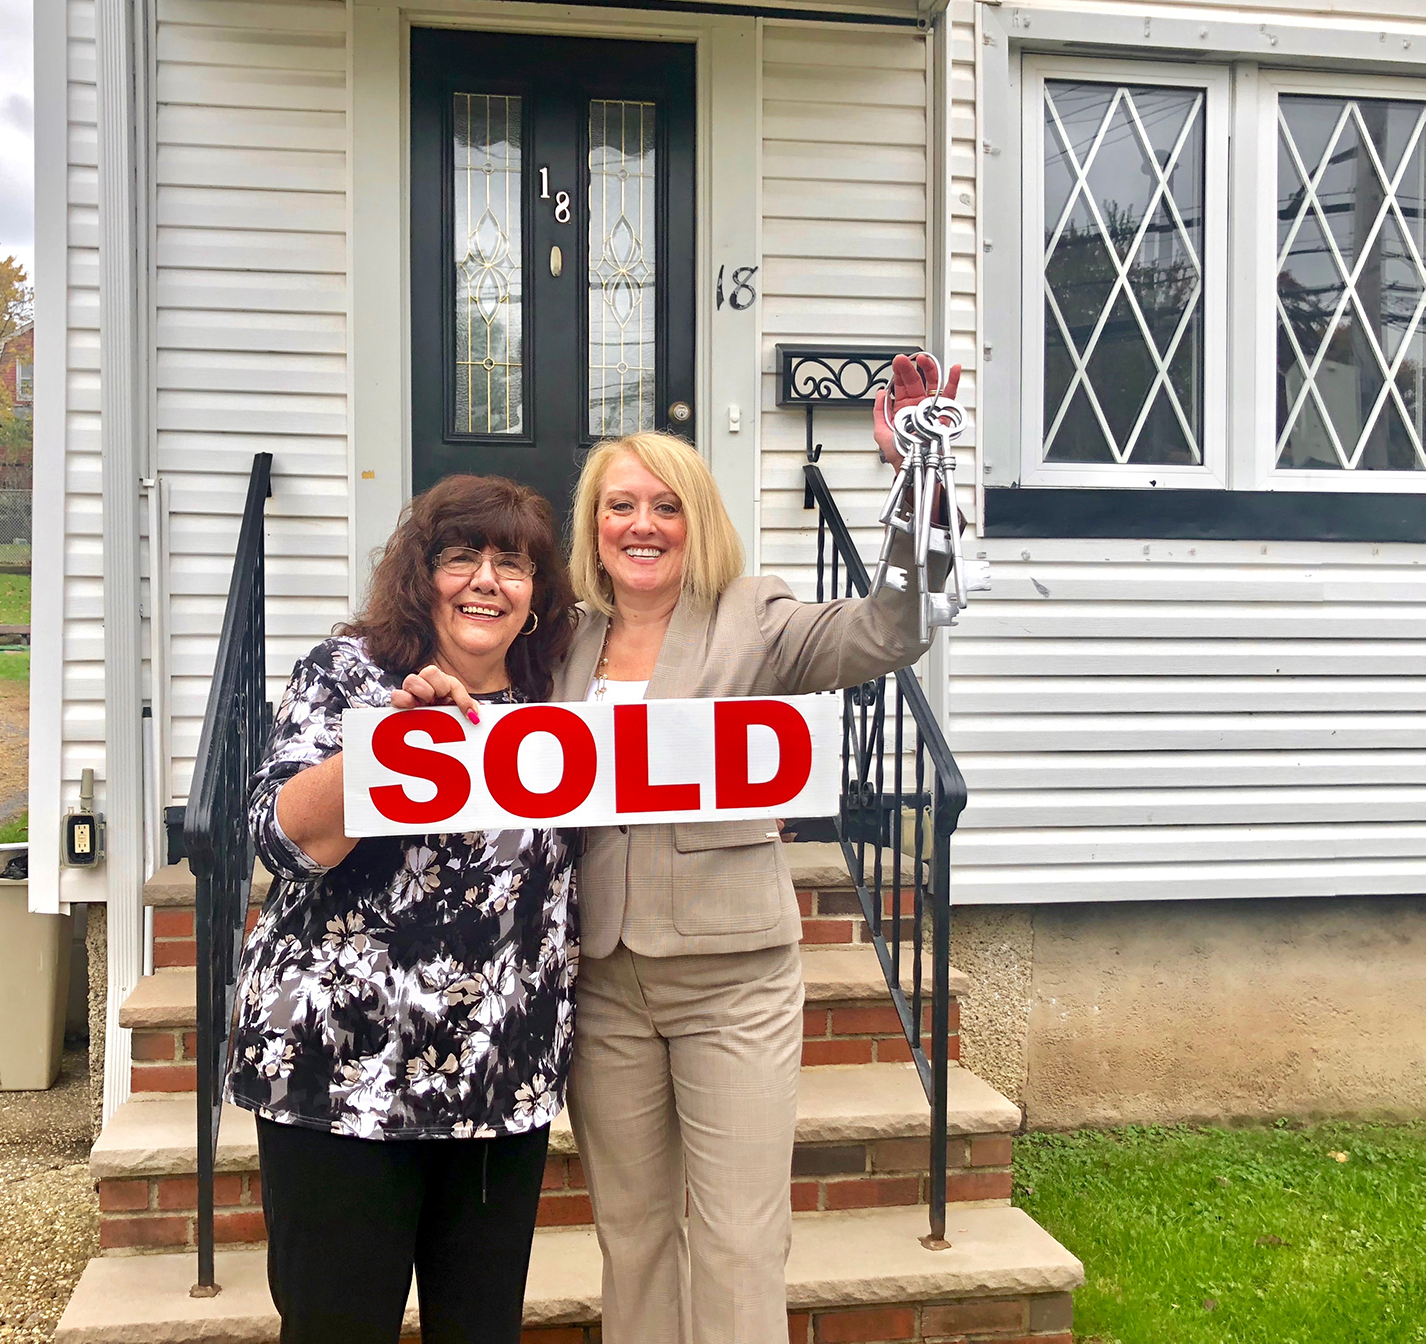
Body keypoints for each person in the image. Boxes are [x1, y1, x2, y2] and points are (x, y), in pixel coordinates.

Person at [549, 353, 959, 1344]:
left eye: (665, 506)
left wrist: (920, 481)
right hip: (603, 978)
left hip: (732, 980)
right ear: (593, 530)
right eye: (618, 507)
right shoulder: (559, 640)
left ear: (699, 522)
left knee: (737, 1242)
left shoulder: (752, 616)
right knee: (633, 1237)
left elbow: (893, 629)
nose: (640, 525)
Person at [225, 473, 580, 1344]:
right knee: (336, 1327)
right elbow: (280, 840)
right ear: (420, 576)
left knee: (481, 1330)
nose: (487, 580)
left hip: (499, 1080)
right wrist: (390, 746)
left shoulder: (557, 707)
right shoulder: (349, 674)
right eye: (461, 557)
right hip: (342, 1075)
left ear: (536, 595)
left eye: (512, 563)